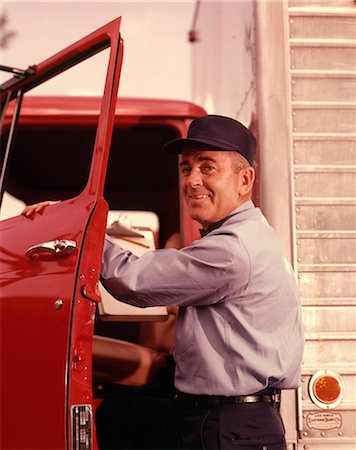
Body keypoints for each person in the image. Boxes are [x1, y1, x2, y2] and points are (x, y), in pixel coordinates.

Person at [23, 115, 304, 450]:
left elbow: (133, 280)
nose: (193, 180)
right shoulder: (250, 236)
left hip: (228, 428)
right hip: (229, 419)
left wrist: (75, 228)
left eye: (207, 167)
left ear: (245, 180)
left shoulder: (232, 249)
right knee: (120, 414)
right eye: (186, 169)